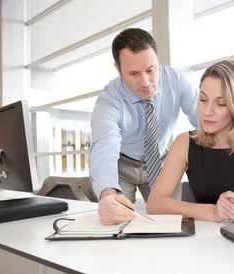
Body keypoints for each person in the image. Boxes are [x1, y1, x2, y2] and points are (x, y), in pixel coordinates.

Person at [146, 60, 234, 224]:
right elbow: (154, 204)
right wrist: (212, 211)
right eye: (203, 99)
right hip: (201, 240)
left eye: (221, 103)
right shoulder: (184, 142)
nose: (207, 111)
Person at [90, 28, 198, 225]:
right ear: (118, 69)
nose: (146, 82)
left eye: (151, 69)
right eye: (133, 73)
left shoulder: (177, 81)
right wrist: (107, 193)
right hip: (122, 166)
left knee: (171, 223)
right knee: (119, 221)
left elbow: (204, 119)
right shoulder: (109, 101)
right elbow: (104, 147)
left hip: (160, 162)